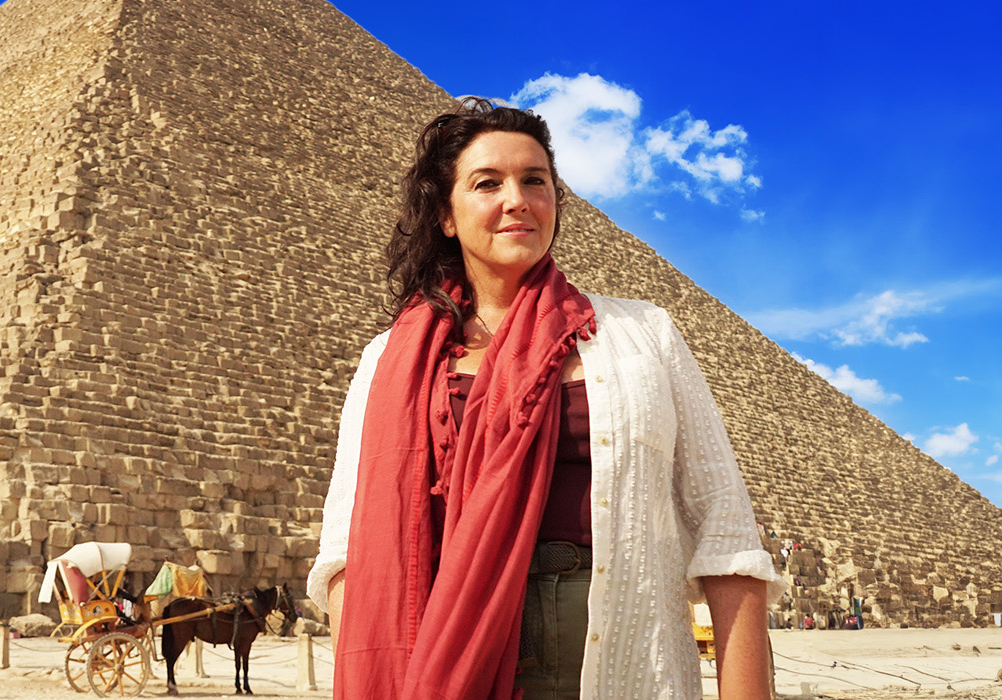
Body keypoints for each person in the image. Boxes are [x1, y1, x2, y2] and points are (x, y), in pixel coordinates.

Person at [307, 99, 782, 700]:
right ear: (446, 216)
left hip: (623, 653)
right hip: (442, 653)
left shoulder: (644, 335)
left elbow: (726, 531)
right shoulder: (389, 360)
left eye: (535, 180)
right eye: (487, 183)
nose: (517, 200)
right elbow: (347, 553)